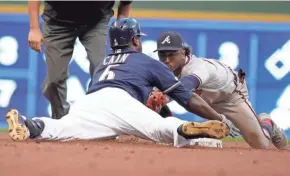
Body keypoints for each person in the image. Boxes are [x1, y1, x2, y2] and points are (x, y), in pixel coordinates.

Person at [5, 18, 238, 148]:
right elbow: (188, 98)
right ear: (135, 39)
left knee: (64, 128)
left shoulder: (104, 63)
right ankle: (183, 129)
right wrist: (217, 118)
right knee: (159, 129)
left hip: (90, 102)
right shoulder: (144, 61)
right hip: (121, 101)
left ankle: (30, 125)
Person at [151, 31, 288, 149]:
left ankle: (266, 123)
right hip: (207, 98)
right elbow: (159, 101)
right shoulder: (164, 71)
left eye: (172, 54)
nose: (167, 60)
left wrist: (162, 94)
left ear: (184, 52)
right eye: (162, 55)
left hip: (231, 96)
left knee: (260, 144)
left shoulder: (197, 67)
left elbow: (186, 84)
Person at [28, 1, 133, 119]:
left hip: (95, 22)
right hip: (57, 23)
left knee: (101, 70)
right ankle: (61, 121)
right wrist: (34, 28)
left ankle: (102, 120)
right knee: (54, 80)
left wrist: (119, 32)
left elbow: (125, 3)